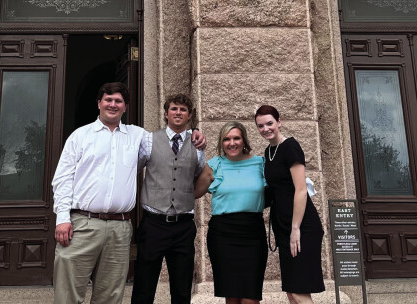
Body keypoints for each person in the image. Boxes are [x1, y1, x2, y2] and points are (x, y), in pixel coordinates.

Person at [51, 83, 205, 304]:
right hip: (83, 224)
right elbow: (63, 178)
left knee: (111, 295)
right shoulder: (80, 136)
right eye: (108, 100)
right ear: (99, 103)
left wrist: (196, 133)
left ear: (125, 107)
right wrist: (63, 218)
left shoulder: (139, 136)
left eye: (118, 101)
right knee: (69, 294)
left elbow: (175, 138)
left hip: (120, 228)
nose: (113, 104)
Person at [131, 94, 206, 304]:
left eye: (183, 109)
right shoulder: (149, 140)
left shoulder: (198, 145)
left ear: (189, 115)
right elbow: (132, 170)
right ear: (166, 113)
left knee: (182, 290)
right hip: (153, 223)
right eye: (174, 109)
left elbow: (200, 174)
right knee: (144, 287)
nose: (178, 113)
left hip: (183, 225)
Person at [255, 105, 325, 304]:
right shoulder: (269, 152)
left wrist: (296, 228)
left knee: (299, 291)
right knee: (291, 291)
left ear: (279, 122)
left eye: (270, 123)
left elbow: (301, 190)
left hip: (302, 226)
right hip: (283, 226)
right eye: (260, 126)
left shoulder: (290, 146)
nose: (266, 129)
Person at [194, 122, 268, 304]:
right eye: (226, 139)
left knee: (251, 296)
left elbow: (278, 192)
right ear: (221, 142)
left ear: (244, 140)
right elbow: (192, 193)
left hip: (253, 233)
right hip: (223, 235)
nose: (232, 143)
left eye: (236, 138)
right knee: (232, 296)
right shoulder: (214, 165)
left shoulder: (260, 164)